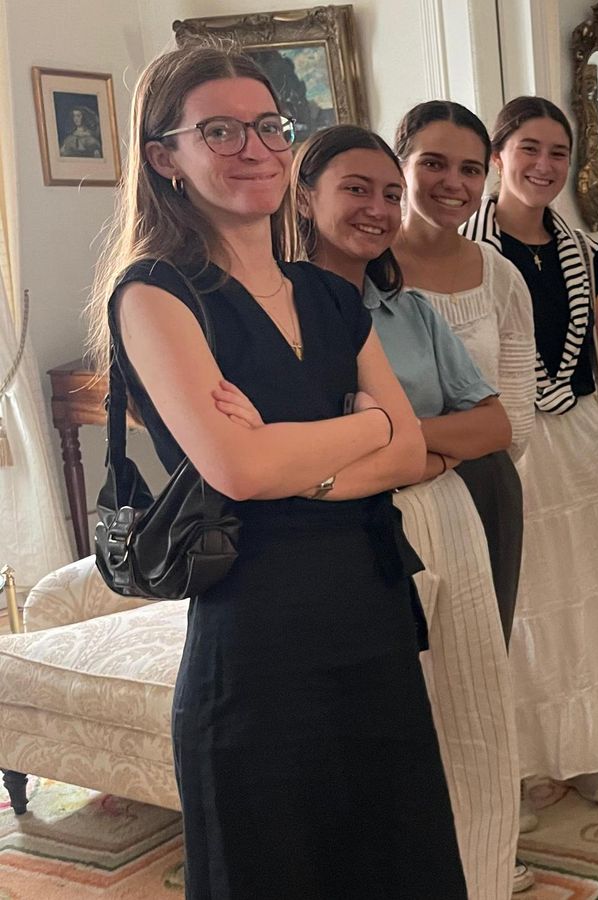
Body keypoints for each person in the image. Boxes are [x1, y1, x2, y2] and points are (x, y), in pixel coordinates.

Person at [89, 46, 465, 897]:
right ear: (165, 159)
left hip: (371, 617)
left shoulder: (331, 295)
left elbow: (407, 452)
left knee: (393, 862)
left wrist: (316, 454)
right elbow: (236, 469)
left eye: (267, 127)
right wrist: (360, 426)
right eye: (218, 131)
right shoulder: (153, 293)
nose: (254, 147)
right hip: (256, 642)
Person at [289, 121, 528, 898]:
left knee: (469, 708)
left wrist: (396, 440)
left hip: (451, 519)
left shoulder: (412, 312)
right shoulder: (272, 315)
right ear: (304, 196)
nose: (378, 207)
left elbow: (494, 424)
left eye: (390, 193)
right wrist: (417, 448)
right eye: (356, 188)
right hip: (340, 537)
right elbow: (289, 456)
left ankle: (473, 869)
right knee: (381, 730)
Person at [463, 95, 598, 813]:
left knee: (587, 592)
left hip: (577, 440)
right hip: (499, 443)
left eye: (557, 153)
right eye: (529, 149)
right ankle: (526, 757)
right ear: (498, 155)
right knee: (525, 597)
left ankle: (584, 748)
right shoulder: (466, 248)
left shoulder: (583, 251)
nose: (544, 166)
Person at [389, 101, 535, 648]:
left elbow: (513, 424)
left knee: (478, 658)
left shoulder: (500, 276)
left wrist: (429, 452)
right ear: (400, 165)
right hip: (382, 495)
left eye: (470, 169)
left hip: (483, 488)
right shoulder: (361, 267)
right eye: (433, 163)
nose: (453, 182)